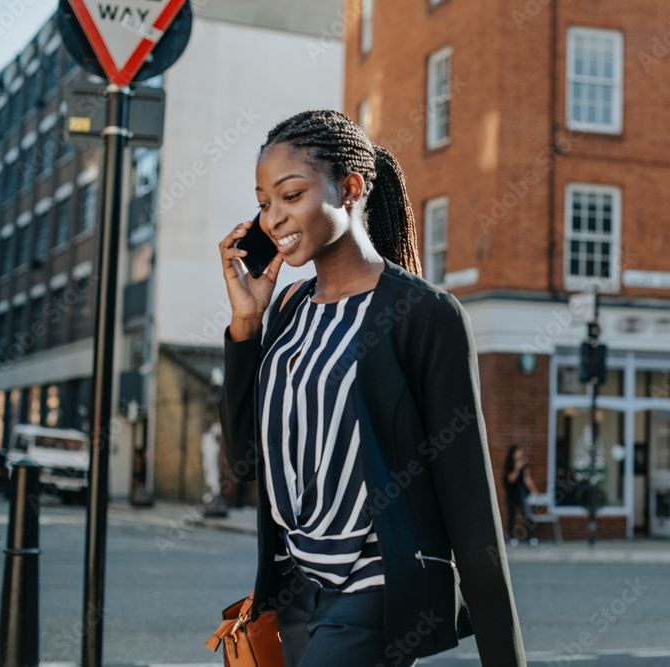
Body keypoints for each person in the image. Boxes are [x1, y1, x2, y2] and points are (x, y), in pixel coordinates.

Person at [217, 110, 526, 666]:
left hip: (375, 586)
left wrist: (505, 658)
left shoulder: (424, 314)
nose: (273, 218)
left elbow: (469, 496)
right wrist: (245, 329)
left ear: (351, 188)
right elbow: (244, 458)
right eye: (264, 202)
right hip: (295, 588)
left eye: (290, 195)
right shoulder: (287, 311)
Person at [503, 445, 539, 547]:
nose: (520, 454)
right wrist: (517, 468)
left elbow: (527, 478)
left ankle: (531, 537)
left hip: (522, 492)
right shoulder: (509, 464)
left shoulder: (523, 464)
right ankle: (512, 538)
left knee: (527, 514)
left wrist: (533, 489)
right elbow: (511, 479)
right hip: (511, 493)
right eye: (518, 452)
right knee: (512, 516)